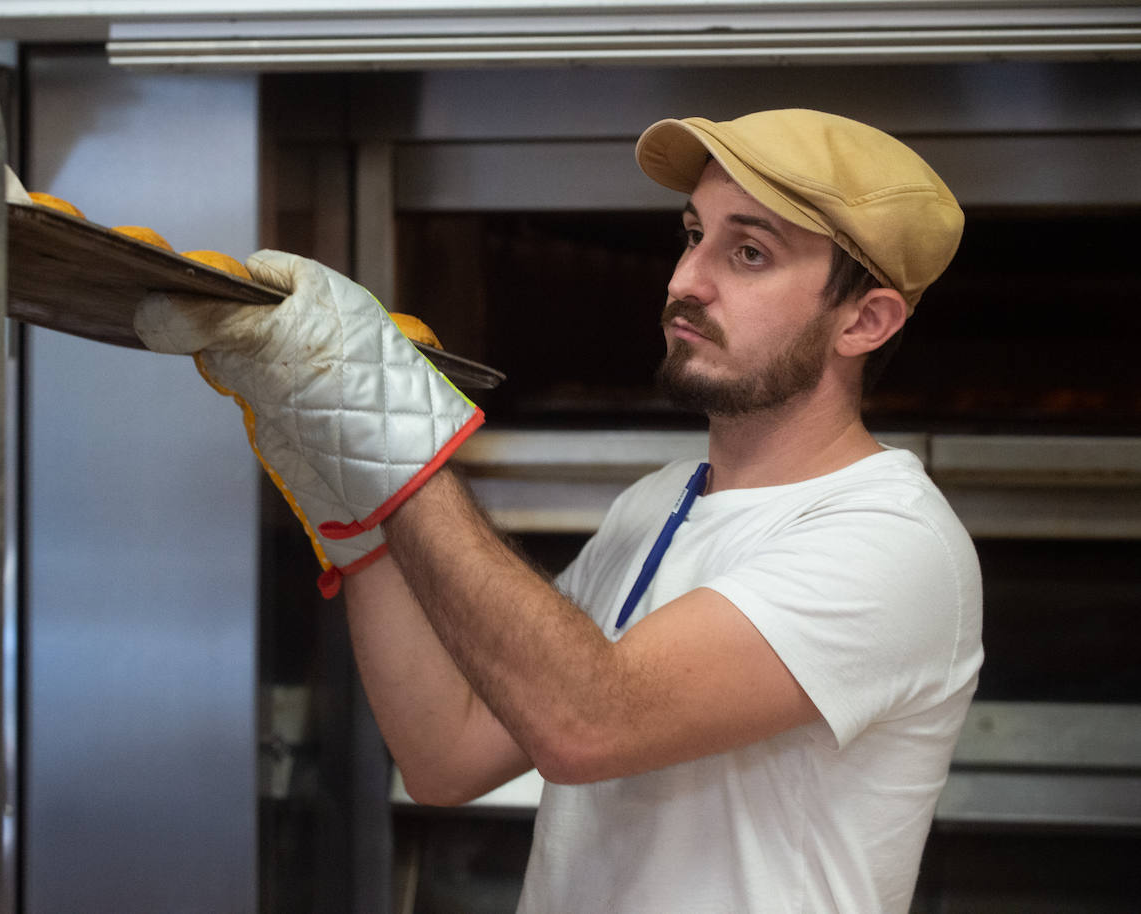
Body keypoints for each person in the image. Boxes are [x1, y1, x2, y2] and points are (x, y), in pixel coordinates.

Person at [135, 108, 984, 913]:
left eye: (749, 253)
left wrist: (386, 432)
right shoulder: (658, 505)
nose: (686, 281)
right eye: (693, 236)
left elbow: (587, 722)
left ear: (863, 321)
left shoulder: (891, 541)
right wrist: (360, 516)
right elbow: (447, 753)